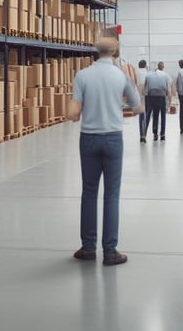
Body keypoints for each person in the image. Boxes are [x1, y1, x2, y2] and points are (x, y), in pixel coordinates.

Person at [67, 37, 142, 266]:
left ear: (95, 51)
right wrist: (117, 106)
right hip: (113, 139)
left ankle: (88, 248)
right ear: (115, 52)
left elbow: (73, 113)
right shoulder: (121, 76)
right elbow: (138, 107)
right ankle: (110, 252)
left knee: (89, 193)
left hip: (89, 139)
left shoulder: (82, 75)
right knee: (111, 196)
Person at [144, 62, 171, 141]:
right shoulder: (165, 75)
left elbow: (145, 89)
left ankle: (154, 134)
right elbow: (168, 90)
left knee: (153, 115)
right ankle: (162, 134)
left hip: (151, 96)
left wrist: (146, 99)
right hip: (161, 97)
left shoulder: (149, 75)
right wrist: (169, 103)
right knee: (163, 116)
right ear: (163, 67)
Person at [135, 59, 149, 141]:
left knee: (141, 116)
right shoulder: (147, 73)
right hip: (145, 95)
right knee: (145, 115)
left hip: (138, 95)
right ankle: (144, 134)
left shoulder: (136, 72)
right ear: (145, 65)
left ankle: (142, 135)